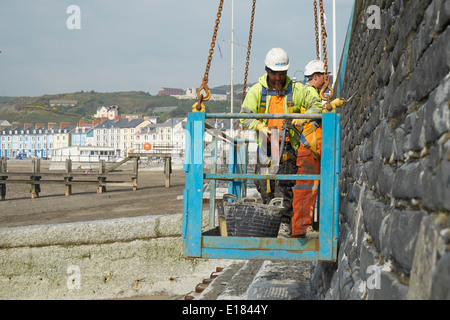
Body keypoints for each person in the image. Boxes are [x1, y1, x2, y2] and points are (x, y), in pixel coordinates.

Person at [240, 48, 324, 237]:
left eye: (282, 74)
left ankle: (284, 223)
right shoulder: (256, 91)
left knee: (284, 185)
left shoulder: (296, 89)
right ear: (267, 70)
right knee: (263, 184)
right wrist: (259, 126)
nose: (278, 78)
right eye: (274, 74)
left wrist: (305, 117)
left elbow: (316, 104)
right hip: (266, 143)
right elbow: (245, 117)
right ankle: (271, 222)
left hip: (287, 143)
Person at [290, 60, 345, 238]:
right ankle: (299, 228)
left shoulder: (314, 93)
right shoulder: (308, 92)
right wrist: (329, 105)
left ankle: (304, 227)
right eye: (325, 76)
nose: (327, 79)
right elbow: (313, 111)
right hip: (309, 148)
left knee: (313, 188)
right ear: (316, 76)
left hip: (315, 147)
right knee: (306, 189)